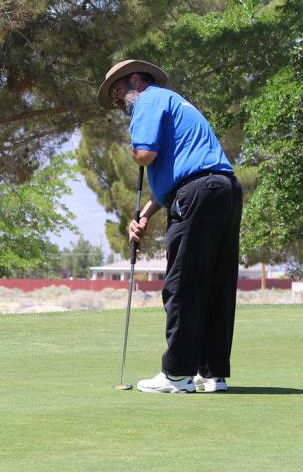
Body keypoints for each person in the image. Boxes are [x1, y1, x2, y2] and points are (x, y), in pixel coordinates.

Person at [98, 60, 243, 393]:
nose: (118, 102)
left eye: (118, 92)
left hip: (198, 191)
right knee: (215, 284)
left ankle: (176, 374)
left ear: (135, 80)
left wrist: (135, 146)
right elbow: (176, 175)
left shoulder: (148, 100)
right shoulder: (172, 100)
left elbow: (145, 155)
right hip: (224, 189)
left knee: (183, 284)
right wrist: (146, 213)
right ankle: (211, 373)